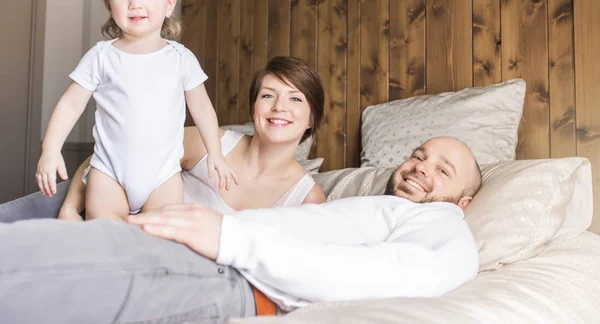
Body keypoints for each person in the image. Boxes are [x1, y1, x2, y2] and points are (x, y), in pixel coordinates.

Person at [0, 136, 482, 323]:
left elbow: (392, 277)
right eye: (418, 155)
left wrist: (229, 237)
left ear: (464, 200)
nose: (422, 168)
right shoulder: (365, 207)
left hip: (234, 275)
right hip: (209, 250)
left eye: (443, 170)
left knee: (23, 265)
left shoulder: (447, 228)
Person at [35, 0, 237, 221]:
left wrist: (216, 152)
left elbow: (201, 108)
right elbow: (71, 104)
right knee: (106, 237)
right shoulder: (101, 56)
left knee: (161, 238)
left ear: (169, 4)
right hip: (109, 174)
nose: (135, 3)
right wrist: (50, 149)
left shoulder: (181, 58)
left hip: (162, 178)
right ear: (109, 4)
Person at [57, 55, 327, 221]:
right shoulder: (208, 144)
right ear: (253, 107)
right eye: (268, 95)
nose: (279, 106)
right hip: (110, 227)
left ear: (311, 119)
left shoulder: (307, 199)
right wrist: (70, 209)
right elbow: (112, 153)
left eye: (295, 98)